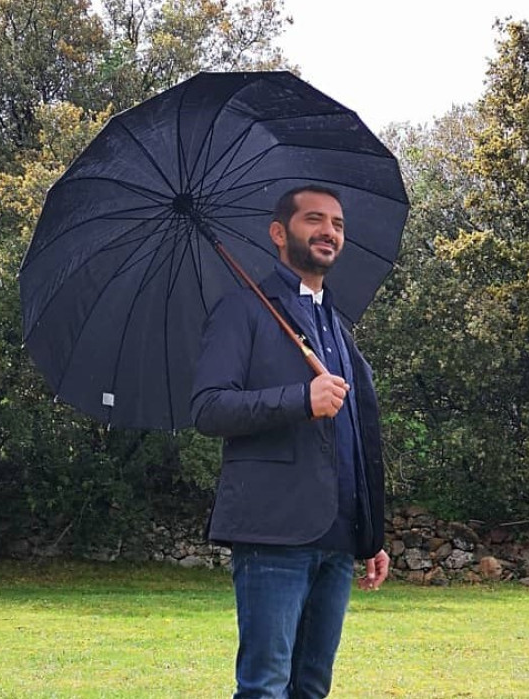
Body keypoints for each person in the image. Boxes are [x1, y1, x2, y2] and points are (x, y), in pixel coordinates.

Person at [191, 184, 390, 698]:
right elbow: (209, 408)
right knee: (265, 687)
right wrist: (301, 399)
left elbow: (354, 436)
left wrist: (370, 533)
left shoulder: (337, 327)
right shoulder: (242, 310)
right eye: (314, 219)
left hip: (339, 538)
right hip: (273, 534)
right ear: (279, 233)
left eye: (338, 224)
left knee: (312, 688)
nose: (329, 231)